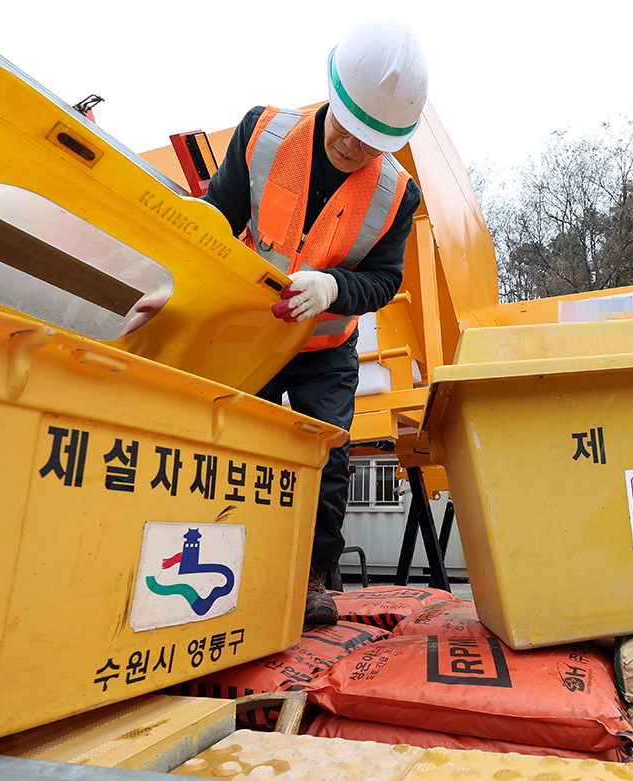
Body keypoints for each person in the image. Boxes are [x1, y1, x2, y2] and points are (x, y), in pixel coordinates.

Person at [201, 21, 427, 626]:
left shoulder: (397, 193)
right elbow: (212, 223)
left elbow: (384, 282)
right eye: (349, 131)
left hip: (325, 347)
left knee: (325, 456)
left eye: (372, 142)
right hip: (251, 334)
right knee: (231, 442)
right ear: (332, 95)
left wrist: (332, 287)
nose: (354, 149)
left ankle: (309, 579)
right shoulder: (262, 134)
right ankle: (219, 565)